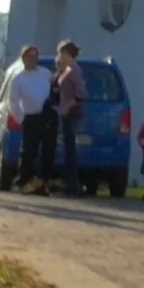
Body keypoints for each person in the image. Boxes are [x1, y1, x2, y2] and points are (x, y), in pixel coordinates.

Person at [8, 44, 55, 195]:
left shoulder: (46, 74)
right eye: (30, 56)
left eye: (35, 56)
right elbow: (13, 102)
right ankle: (25, 181)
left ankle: (44, 182)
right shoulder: (17, 78)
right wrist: (21, 119)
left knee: (47, 151)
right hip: (30, 117)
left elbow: (55, 91)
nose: (33, 59)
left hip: (47, 117)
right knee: (28, 152)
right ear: (23, 58)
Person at [54, 40, 87, 197]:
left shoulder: (74, 69)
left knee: (71, 149)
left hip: (72, 113)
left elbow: (81, 94)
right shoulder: (66, 69)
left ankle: (72, 184)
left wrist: (67, 107)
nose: (58, 56)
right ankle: (69, 183)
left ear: (66, 53)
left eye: (60, 53)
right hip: (65, 113)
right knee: (67, 148)